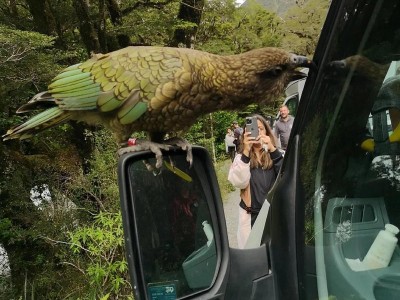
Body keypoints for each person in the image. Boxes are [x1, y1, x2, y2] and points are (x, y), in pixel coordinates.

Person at [228, 114, 283, 248]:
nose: (257, 132)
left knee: (275, 253)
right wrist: (246, 151)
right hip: (251, 216)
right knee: (253, 255)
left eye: (261, 129)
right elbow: (238, 182)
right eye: (253, 129)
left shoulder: (277, 153)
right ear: (245, 134)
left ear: (267, 132)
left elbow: (286, 176)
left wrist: (272, 150)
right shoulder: (241, 158)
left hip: (274, 215)